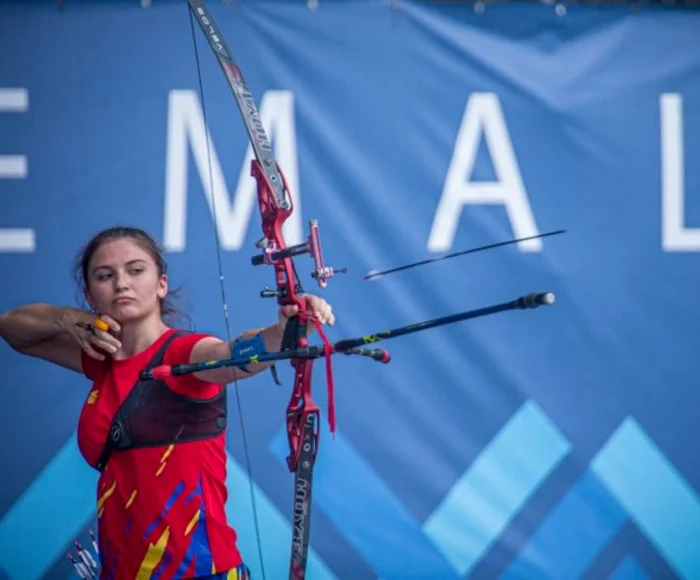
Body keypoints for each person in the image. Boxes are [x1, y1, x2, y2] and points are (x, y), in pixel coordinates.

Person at [0, 225, 335, 580]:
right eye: (105, 275)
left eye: (135, 270)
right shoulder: (100, 360)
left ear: (161, 283)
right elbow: (12, 330)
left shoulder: (184, 354)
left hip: (199, 572)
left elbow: (233, 355)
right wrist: (68, 319)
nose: (121, 283)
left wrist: (285, 330)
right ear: (90, 294)